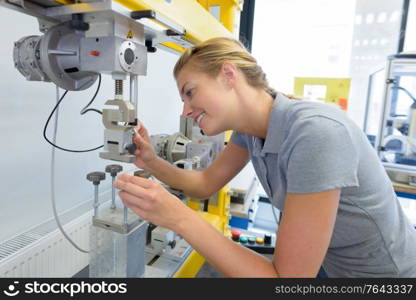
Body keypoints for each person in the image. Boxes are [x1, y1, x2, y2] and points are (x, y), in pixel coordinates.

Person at [114, 37, 416, 277]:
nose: (186, 111)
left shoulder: (316, 133)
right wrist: (151, 160)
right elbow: (205, 183)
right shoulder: (251, 131)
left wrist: (178, 217)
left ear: (229, 74)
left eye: (190, 93)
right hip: (336, 267)